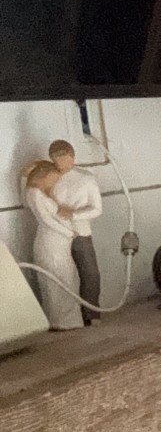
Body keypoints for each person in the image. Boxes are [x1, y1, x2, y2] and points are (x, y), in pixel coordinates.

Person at [21, 160, 83, 330]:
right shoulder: (33, 193)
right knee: (56, 279)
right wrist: (69, 233)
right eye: (53, 179)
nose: (54, 183)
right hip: (51, 242)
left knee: (67, 277)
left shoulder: (42, 193)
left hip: (60, 242)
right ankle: (60, 320)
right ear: (44, 176)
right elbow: (46, 219)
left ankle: (69, 319)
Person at [46, 140, 103, 324]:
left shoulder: (86, 178)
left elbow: (97, 209)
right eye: (56, 160)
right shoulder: (49, 177)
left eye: (64, 159)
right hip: (56, 234)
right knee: (61, 275)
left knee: (90, 274)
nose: (60, 165)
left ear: (72, 156)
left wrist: (73, 214)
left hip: (80, 232)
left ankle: (91, 314)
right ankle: (68, 317)